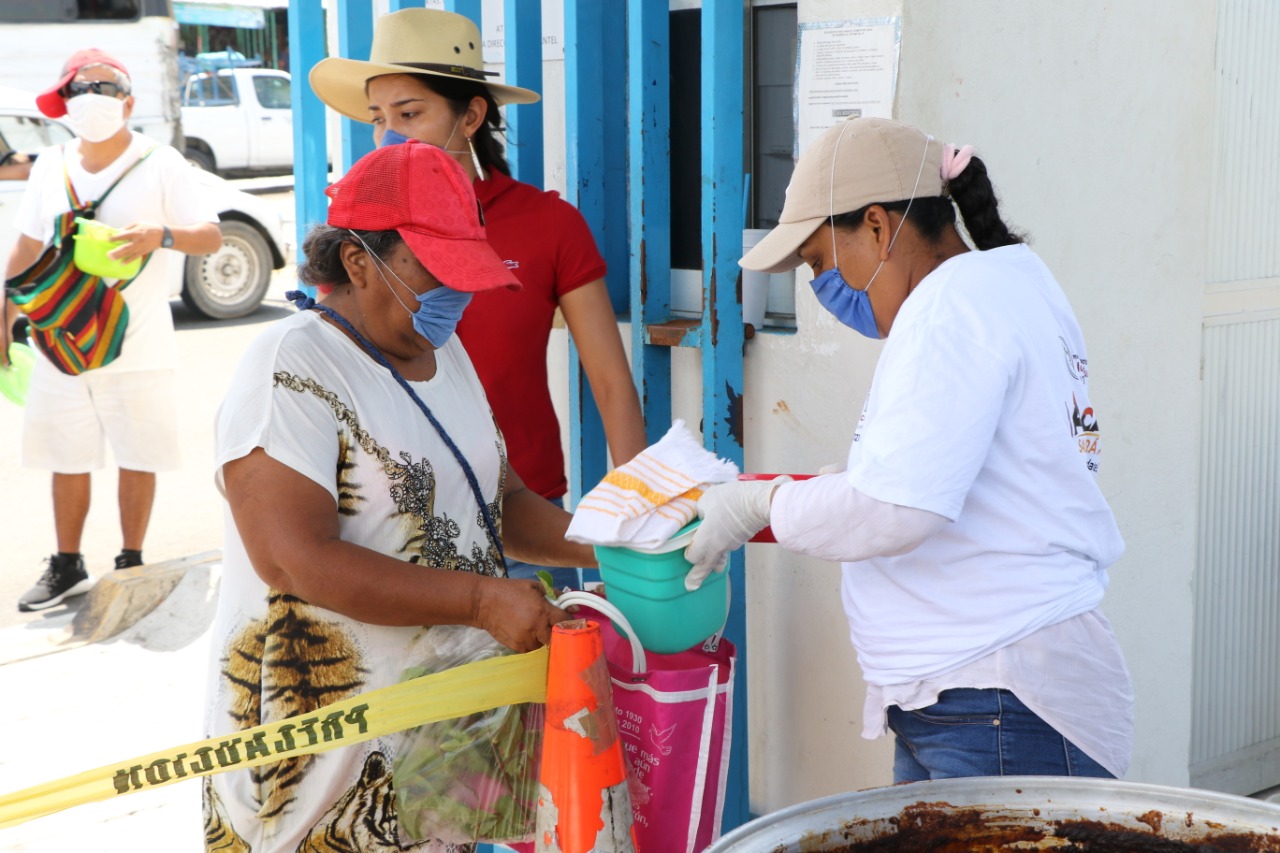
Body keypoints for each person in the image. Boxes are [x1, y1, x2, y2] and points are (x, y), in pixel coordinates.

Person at [684, 117, 1133, 783]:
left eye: (816, 262)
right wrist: (833, 490)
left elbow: (895, 508)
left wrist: (759, 504)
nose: (820, 289)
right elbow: (956, 479)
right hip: (976, 699)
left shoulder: (950, 308)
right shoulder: (1005, 286)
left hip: (999, 702)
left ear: (876, 225)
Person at [204, 140, 586, 851]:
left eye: (466, 273)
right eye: (437, 272)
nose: (456, 295)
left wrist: (616, 542)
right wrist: (481, 600)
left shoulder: (444, 353)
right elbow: (293, 560)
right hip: (323, 765)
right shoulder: (291, 367)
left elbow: (494, 499)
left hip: (439, 749)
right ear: (358, 262)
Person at [309, 8, 647, 587]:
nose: (390, 135)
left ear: (470, 115)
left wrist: (643, 514)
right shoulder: (359, 231)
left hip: (522, 516)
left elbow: (611, 383)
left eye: (409, 114)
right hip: (395, 521)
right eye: (377, 117)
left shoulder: (549, 223)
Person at [3, 49, 222, 612]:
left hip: (139, 340)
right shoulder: (50, 164)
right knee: (64, 453)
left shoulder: (162, 161)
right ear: (65, 105)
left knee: (138, 452)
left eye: (107, 85)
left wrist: (162, 235)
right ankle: (67, 565)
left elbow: (210, 235)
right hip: (61, 339)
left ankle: (131, 561)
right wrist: (4, 310)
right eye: (81, 88)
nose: (93, 96)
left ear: (128, 101)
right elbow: (28, 244)